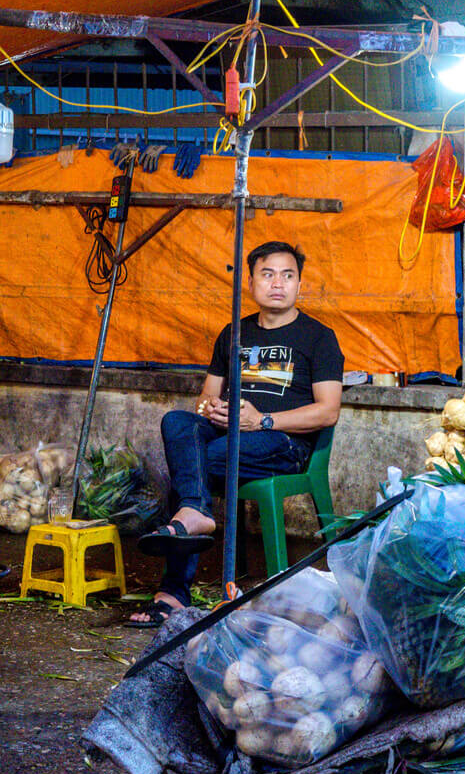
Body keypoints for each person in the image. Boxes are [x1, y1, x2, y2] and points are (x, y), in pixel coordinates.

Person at [128, 241, 343, 627]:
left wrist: (261, 420)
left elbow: (328, 411)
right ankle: (194, 512)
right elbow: (206, 397)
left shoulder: (318, 337)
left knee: (194, 464)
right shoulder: (234, 333)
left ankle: (173, 590)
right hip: (231, 437)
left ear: (299, 284)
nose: (278, 283)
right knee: (177, 424)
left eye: (288, 275)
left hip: (283, 442)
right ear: (251, 281)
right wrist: (211, 410)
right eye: (267, 273)